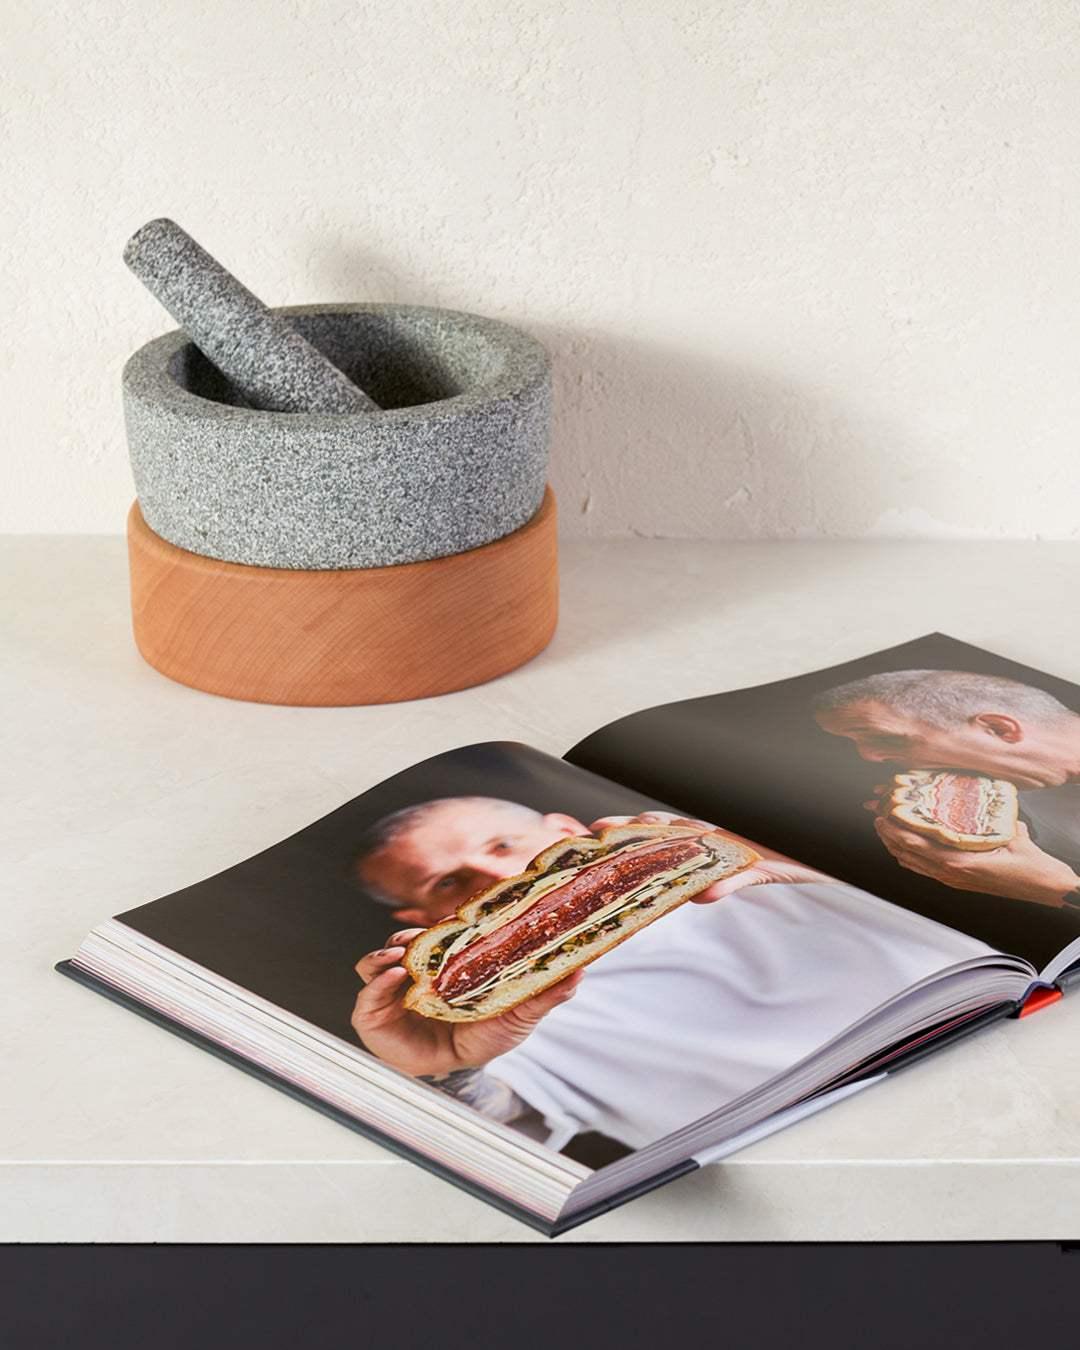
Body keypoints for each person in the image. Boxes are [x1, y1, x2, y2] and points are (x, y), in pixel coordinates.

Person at [349, 795, 994, 1152]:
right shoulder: (499, 1033)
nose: (498, 880)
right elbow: (502, 1135)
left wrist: (809, 869)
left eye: (503, 847)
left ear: (569, 831)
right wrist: (442, 1068)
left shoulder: (759, 867)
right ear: (424, 918)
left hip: (993, 1069)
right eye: (451, 881)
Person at [813, 669, 1080, 908]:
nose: (869, 756)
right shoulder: (1028, 783)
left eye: (886, 738)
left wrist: (1057, 887)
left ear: (998, 729)